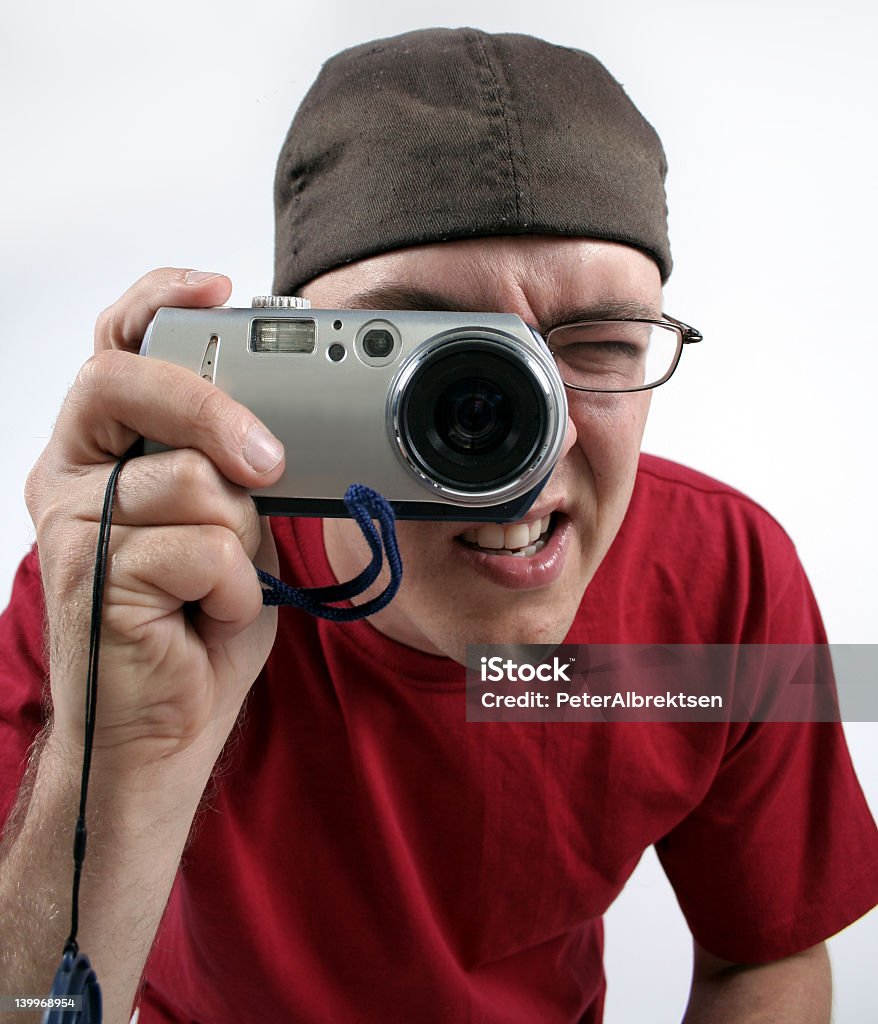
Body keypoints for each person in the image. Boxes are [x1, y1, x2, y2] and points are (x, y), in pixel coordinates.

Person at [1, 27, 876, 1024]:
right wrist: (118, 766)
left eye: (594, 346)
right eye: (436, 366)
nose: (522, 453)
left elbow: (763, 958)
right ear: (286, 349)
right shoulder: (128, 584)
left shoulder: (725, 577)